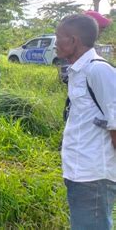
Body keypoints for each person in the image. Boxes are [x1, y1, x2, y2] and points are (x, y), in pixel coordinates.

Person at [56, 14, 116, 230]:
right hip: (78, 170)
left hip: (94, 175)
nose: (55, 43)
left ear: (73, 41)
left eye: (58, 37)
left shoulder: (98, 70)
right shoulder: (78, 71)